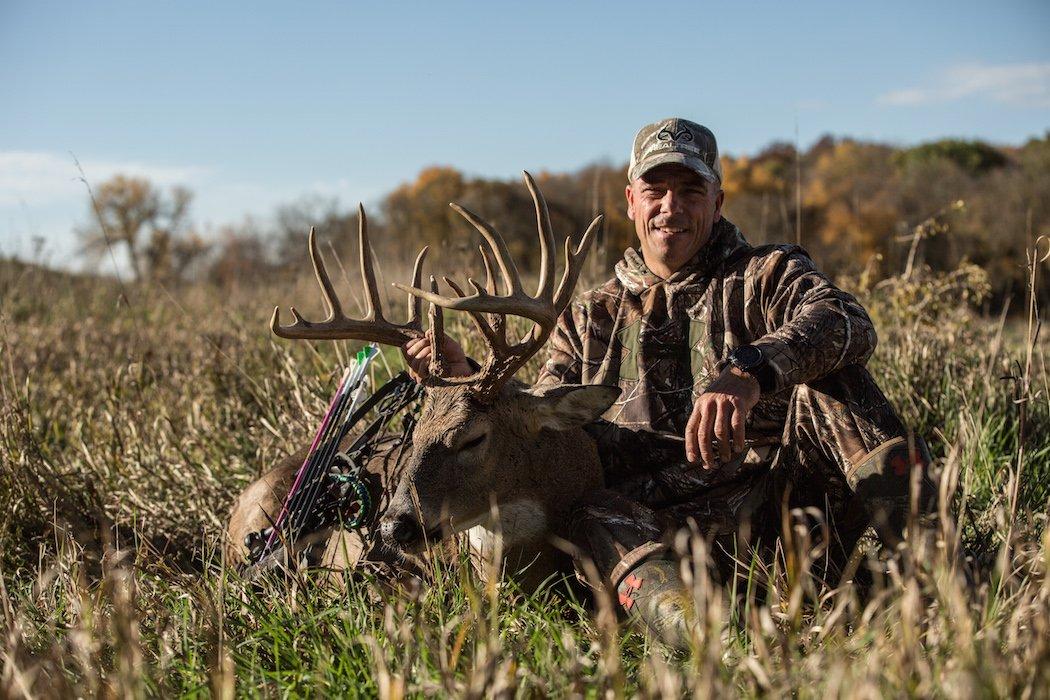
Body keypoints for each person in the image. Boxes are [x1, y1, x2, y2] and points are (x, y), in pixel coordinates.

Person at [402, 118, 935, 650]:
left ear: (717, 201)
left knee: (831, 373)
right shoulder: (590, 317)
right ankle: (709, 638)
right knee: (591, 514)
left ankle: (929, 563)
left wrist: (751, 371)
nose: (671, 207)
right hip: (659, 537)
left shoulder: (766, 276)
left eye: (690, 190)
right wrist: (469, 380)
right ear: (632, 201)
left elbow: (847, 321)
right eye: (655, 190)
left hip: (792, 510)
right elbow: (537, 422)